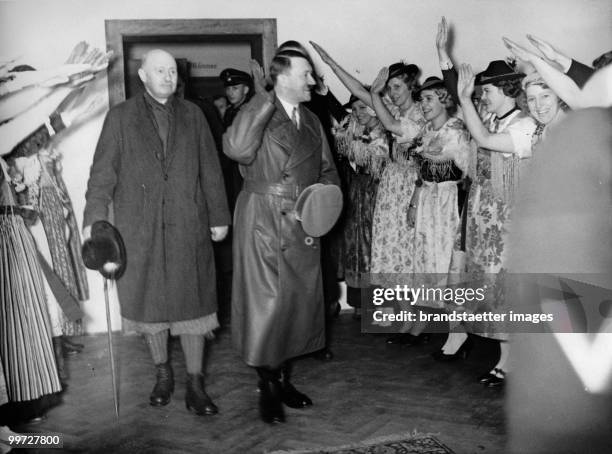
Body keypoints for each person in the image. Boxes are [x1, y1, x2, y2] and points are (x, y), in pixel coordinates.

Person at [83, 49, 230, 416]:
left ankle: (196, 384)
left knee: (193, 303)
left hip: (187, 224)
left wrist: (219, 215)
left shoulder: (194, 115)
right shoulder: (120, 118)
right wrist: (94, 221)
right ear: (143, 76)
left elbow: (211, 170)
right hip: (140, 228)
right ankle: (162, 373)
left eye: (172, 71)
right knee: (150, 305)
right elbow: (102, 176)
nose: (168, 76)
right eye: (159, 70)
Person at [223, 49, 340, 424]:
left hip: (302, 220)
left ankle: (282, 378)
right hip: (263, 217)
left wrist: (322, 206)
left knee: (294, 304)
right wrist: (262, 96)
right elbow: (237, 149)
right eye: (306, 74)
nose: (313, 81)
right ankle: (268, 385)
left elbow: (328, 171)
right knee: (267, 305)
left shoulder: (311, 120)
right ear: (283, 77)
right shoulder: (258, 110)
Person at [333, 94, 388, 318]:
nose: (359, 113)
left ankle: (377, 304)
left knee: (374, 243)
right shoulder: (353, 130)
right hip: (356, 192)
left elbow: (371, 158)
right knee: (354, 244)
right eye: (354, 109)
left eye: (363, 107)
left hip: (378, 192)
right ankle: (358, 302)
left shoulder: (385, 131)